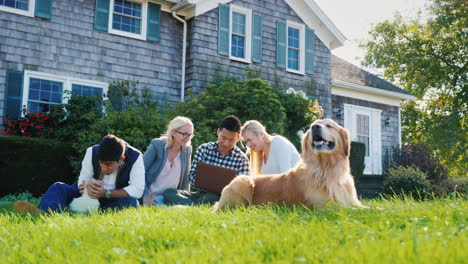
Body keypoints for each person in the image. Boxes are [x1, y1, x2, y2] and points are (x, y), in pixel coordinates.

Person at [14, 134, 145, 214]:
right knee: (58, 187)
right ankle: (45, 213)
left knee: (132, 202)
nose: (105, 168)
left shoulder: (135, 157)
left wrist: (106, 193)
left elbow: (137, 189)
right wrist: (86, 187)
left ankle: (95, 213)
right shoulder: (92, 151)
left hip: (112, 200)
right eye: (102, 163)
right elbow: (83, 178)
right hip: (87, 197)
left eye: (109, 164)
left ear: (121, 159)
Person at [163, 115, 250, 205]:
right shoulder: (204, 149)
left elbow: (243, 191)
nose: (226, 143)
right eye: (223, 138)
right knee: (168, 193)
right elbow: (191, 176)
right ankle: (196, 206)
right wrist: (205, 182)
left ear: (238, 138)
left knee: (212, 197)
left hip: (221, 198)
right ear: (218, 132)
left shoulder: (242, 160)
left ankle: (190, 205)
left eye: (231, 140)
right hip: (199, 194)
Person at [141, 116, 194, 206]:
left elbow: (186, 179)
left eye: (190, 135)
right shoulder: (157, 145)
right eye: (184, 134)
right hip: (152, 196)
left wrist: (184, 198)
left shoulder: (187, 149)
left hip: (171, 197)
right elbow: (140, 171)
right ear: (173, 132)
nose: (187, 137)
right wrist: (145, 195)